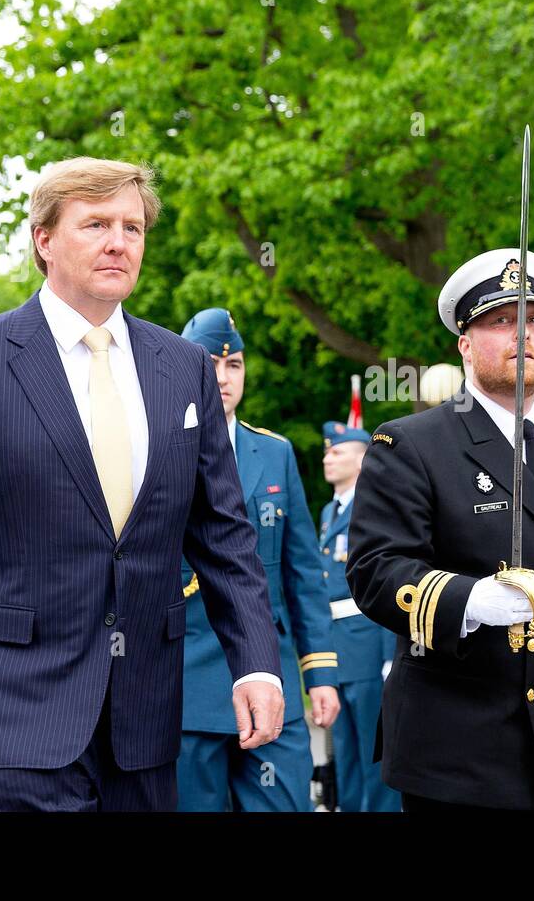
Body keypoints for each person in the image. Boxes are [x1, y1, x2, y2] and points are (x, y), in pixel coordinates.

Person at [0, 158, 283, 811]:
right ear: (44, 239)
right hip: (15, 704)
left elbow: (225, 536)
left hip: (144, 713)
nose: (119, 241)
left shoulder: (181, 368)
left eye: (132, 226)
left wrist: (256, 662)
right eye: (95, 224)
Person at [347, 249, 534, 811]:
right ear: (465, 345)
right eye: (500, 321)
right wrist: (470, 599)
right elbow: (375, 571)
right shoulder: (411, 443)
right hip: (462, 749)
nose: (522, 335)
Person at [175, 308, 339, 811]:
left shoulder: (276, 453)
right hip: (186, 687)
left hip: (271, 682)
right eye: (210, 364)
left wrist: (321, 673)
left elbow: (303, 575)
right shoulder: (155, 449)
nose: (223, 378)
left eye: (236, 366)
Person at [319, 420, 400, 812]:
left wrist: (389, 656)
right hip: (336, 647)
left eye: (337, 452)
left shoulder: (376, 507)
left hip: (369, 644)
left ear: (363, 459)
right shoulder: (328, 512)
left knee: (375, 754)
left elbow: (388, 582)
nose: (326, 458)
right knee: (345, 755)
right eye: (326, 452)